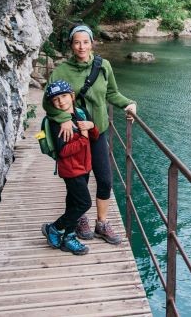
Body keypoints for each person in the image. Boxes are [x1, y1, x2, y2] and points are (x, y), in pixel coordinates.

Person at [43, 24, 137, 245]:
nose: (81, 46)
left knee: (104, 179)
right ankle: (80, 219)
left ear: (92, 42)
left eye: (85, 42)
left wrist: (129, 104)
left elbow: (112, 93)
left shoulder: (103, 66)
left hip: (97, 132)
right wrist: (65, 119)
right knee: (80, 181)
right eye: (77, 42)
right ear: (71, 45)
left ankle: (102, 223)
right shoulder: (61, 71)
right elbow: (48, 102)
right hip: (74, 136)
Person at [41, 80, 98, 255]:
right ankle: (55, 228)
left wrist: (91, 126)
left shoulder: (80, 112)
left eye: (64, 96)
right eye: (56, 99)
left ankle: (69, 236)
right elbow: (63, 151)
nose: (61, 101)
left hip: (84, 167)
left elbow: (94, 136)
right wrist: (83, 138)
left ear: (72, 96)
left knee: (73, 202)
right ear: (51, 103)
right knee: (84, 203)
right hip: (71, 170)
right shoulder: (56, 122)